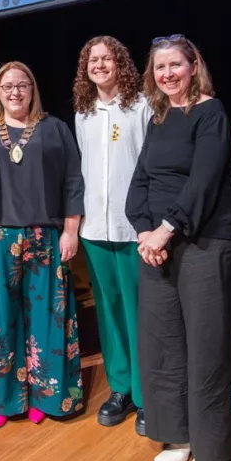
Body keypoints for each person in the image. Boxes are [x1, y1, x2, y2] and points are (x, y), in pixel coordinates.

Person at [125, 36, 231, 461]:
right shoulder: (158, 117)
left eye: (176, 64)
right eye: (160, 67)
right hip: (156, 246)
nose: (167, 74)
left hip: (204, 242)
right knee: (164, 346)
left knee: (207, 349)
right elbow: (140, 181)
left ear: (194, 65)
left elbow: (205, 180)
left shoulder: (210, 112)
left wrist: (166, 230)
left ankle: (212, 450)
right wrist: (143, 232)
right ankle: (179, 435)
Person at [0, 61, 85, 430]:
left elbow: (73, 182)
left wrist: (71, 231)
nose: (15, 92)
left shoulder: (55, 129)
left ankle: (44, 396)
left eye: (22, 85)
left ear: (32, 89)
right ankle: (1, 398)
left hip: (45, 238)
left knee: (47, 321)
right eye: (7, 86)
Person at [73, 36, 152, 434]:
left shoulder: (142, 106)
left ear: (120, 62)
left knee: (139, 312)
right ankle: (120, 387)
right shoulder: (83, 113)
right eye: (92, 59)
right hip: (94, 229)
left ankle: (146, 394)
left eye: (106, 58)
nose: (99, 65)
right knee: (107, 310)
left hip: (134, 229)